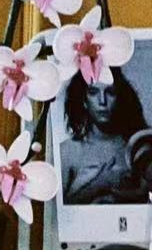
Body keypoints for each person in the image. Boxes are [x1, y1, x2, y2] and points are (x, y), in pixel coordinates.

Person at [59, 67, 150, 204]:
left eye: (110, 92)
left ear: (120, 97)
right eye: (93, 92)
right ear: (84, 100)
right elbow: (56, 210)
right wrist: (100, 183)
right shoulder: (68, 151)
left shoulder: (137, 147)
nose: (102, 101)